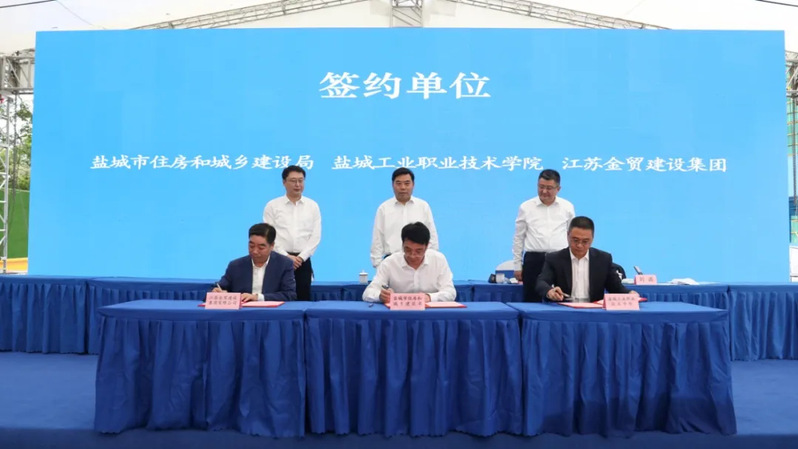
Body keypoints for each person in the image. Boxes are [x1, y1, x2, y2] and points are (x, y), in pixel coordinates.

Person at [535, 216, 634, 302]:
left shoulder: (603, 259)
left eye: (585, 241)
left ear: (592, 238)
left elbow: (615, 287)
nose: (579, 245)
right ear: (568, 236)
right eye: (575, 240)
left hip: (593, 310)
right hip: (565, 309)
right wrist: (549, 291)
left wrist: (629, 293)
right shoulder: (555, 258)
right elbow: (541, 282)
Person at [512, 169, 575, 302]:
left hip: (560, 259)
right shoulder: (526, 207)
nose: (544, 191)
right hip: (534, 260)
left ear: (558, 189)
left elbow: (572, 236)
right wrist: (517, 265)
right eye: (541, 187)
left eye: (549, 188)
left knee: (562, 299)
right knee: (531, 301)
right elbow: (518, 238)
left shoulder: (567, 207)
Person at [262, 165, 321, 301]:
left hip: (302, 261)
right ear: (284, 182)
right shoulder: (272, 206)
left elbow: (315, 236)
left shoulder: (312, 206)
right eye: (293, 181)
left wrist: (301, 257)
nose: (297, 184)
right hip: (278, 259)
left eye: (301, 180)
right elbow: (268, 236)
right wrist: (286, 256)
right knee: (277, 298)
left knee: (303, 299)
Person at [363, 222, 455, 304]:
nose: (412, 255)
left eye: (418, 251)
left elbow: (450, 292)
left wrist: (429, 297)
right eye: (408, 250)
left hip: (430, 314)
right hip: (398, 314)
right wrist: (380, 296)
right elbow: (368, 293)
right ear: (402, 244)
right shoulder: (389, 262)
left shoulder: (438, 260)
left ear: (427, 246)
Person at [370, 167, 439, 268]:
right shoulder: (384, 208)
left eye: (407, 183)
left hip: (418, 262)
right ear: (392, 185)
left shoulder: (423, 206)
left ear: (413, 185)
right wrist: (379, 266)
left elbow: (432, 237)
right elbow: (377, 240)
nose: (403, 187)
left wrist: (429, 263)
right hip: (391, 263)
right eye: (398, 183)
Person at [213, 223, 297, 302]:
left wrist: (258, 297)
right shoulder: (235, 265)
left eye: (261, 248)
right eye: (251, 246)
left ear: (272, 246)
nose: (255, 251)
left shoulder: (284, 264)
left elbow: (290, 294)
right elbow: (219, 287)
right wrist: (216, 291)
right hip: (242, 311)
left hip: (271, 311)